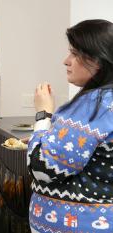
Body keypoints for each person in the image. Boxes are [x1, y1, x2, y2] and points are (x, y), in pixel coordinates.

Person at [28, 19, 113, 232]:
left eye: (75, 54)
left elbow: (43, 168)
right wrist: (49, 135)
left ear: (98, 59)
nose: (66, 61)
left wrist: (43, 114)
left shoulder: (96, 105)